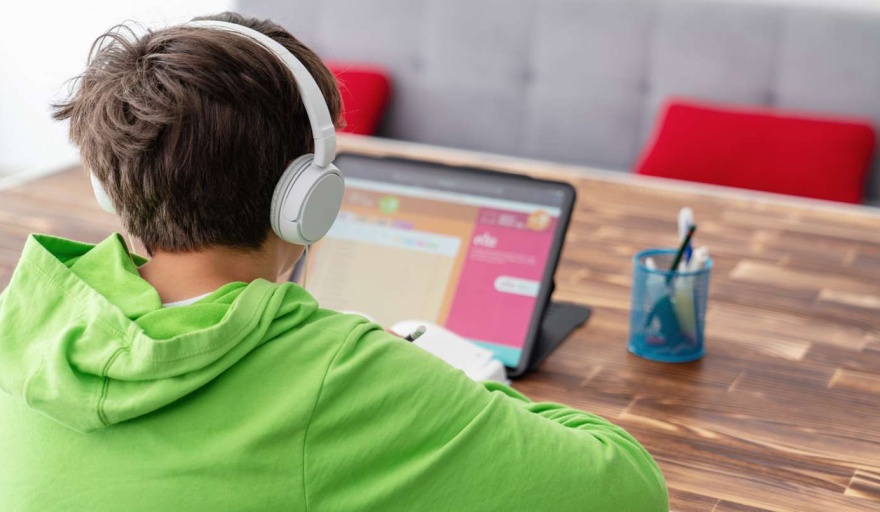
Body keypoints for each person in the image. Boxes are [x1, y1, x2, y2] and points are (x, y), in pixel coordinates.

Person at [0, 12, 668, 511]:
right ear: (304, 199)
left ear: (108, 184)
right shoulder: (343, 374)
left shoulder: (27, 319)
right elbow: (625, 489)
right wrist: (444, 379)